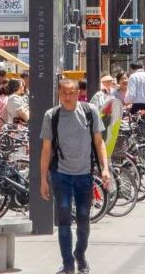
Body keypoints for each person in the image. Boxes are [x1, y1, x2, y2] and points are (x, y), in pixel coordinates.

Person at [39, 78, 110, 274]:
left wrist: (105, 168)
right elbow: (46, 149)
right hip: (61, 174)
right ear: (58, 94)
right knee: (63, 217)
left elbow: (99, 143)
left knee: (83, 220)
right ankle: (68, 263)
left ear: (78, 93)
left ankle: (80, 253)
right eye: (64, 94)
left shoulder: (89, 112)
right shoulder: (51, 116)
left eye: (71, 93)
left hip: (84, 174)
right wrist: (43, 179)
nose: (67, 97)